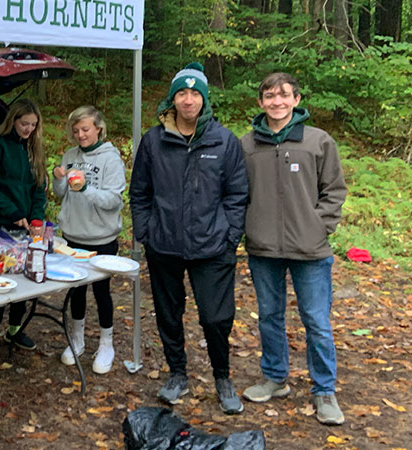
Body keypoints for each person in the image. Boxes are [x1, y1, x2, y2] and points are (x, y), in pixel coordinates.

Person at [129, 62, 249, 414]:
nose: (188, 100)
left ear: (205, 100)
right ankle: (177, 373)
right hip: (163, 243)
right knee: (169, 314)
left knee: (215, 317)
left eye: (196, 93)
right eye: (182, 92)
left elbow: (237, 194)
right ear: (173, 98)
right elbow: (140, 192)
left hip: (212, 246)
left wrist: (229, 236)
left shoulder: (223, 141)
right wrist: (145, 231)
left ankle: (222, 376)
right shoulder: (154, 140)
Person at [239, 72, 347, 425]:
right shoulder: (247, 145)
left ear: (296, 100)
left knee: (316, 320)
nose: (277, 102)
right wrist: (247, 228)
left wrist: (319, 227)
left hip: (311, 250)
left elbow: (334, 191)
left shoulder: (318, 141)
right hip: (263, 247)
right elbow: (238, 194)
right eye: (269, 96)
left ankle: (324, 391)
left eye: (284, 95)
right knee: (270, 316)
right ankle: (274, 377)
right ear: (260, 102)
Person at [51, 105, 126, 374]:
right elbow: (61, 194)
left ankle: (106, 344)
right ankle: (78, 338)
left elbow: (114, 200)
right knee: (77, 290)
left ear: (99, 128)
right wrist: (58, 179)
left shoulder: (111, 159)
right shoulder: (69, 155)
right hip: (72, 235)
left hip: (102, 237)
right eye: (76, 131)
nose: (81, 135)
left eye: (85, 129)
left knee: (101, 291)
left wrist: (86, 188)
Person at [0, 98, 47, 363]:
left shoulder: (34, 149)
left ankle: (15, 328)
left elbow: (39, 188)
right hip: (2, 228)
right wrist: (13, 213)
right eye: (24, 124)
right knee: (0, 282)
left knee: (25, 281)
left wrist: (37, 218)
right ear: (13, 121)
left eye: (33, 125)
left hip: (29, 229)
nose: (28, 129)